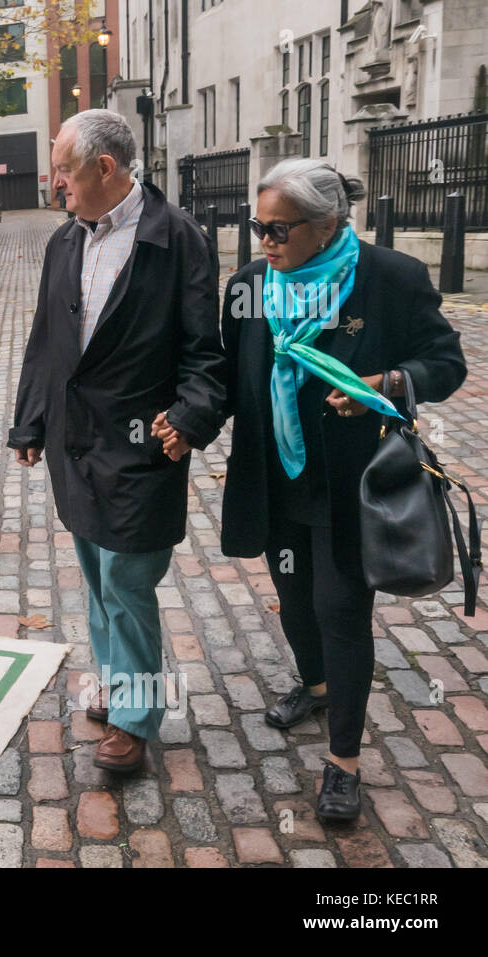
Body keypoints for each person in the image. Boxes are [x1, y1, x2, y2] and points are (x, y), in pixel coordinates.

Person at [166, 158, 465, 821]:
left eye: (279, 230)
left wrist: (384, 386)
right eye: (257, 227)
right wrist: (190, 422)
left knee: (341, 610)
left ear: (328, 226)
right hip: (275, 481)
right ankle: (317, 683)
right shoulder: (248, 288)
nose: (265, 243)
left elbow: (446, 364)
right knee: (294, 600)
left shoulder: (390, 280)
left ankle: (344, 761)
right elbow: (229, 380)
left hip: (351, 485)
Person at [8, 110, 225, 773]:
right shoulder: (64, 242)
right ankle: (112, 679)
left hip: (143, 443)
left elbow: (205, 354)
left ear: (105, 167)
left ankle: (134, 717)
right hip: (77, 442)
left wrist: (191, 417)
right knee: (98, 580)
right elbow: (48, 339)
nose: (56, 184)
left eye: (64, 170)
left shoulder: (178, 238)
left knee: (129, 579)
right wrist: (30, 419)